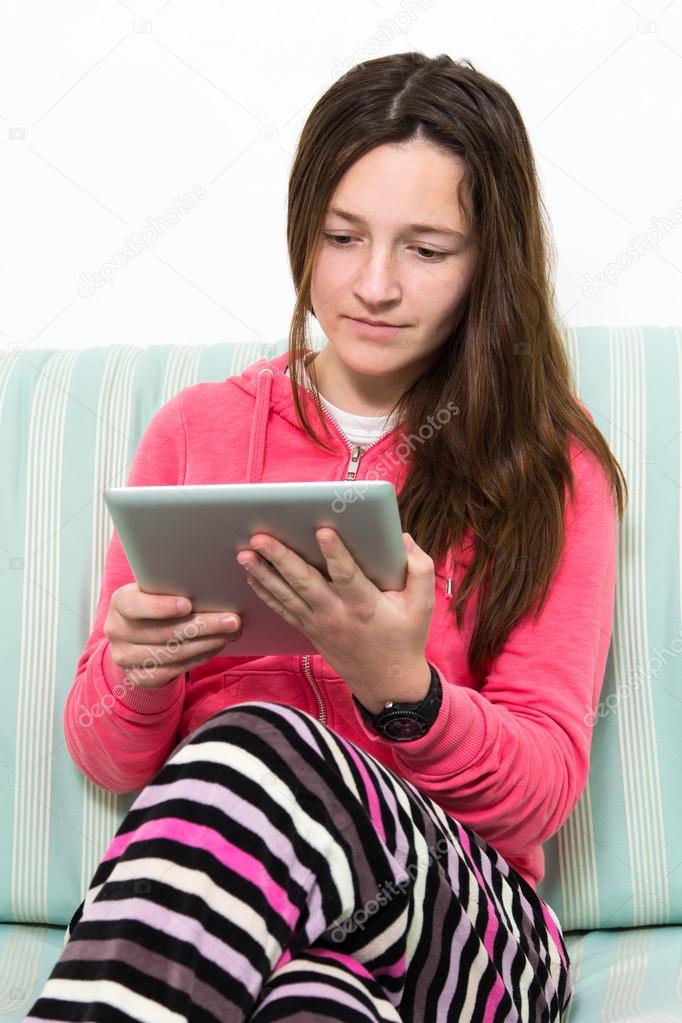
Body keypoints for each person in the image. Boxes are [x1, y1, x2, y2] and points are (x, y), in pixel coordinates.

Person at [23, 51, 627, 1022]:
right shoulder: (196, 428)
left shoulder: (551, 472)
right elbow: (112, 763)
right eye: (343, 236)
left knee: (260, 736)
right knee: (314, 1003)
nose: (374, 284)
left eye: (426, 249)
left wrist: (401, 689)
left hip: (461, 921)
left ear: (488, 260)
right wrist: (136, 673)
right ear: (303, 224)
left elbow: (541, 796)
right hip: (232, 921)